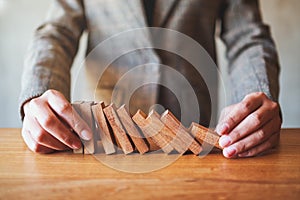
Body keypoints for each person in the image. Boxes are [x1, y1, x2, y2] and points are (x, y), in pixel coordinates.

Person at [19, 0, 282, 158]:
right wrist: (39, 95)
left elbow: (247, 36)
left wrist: (255, 97)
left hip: (193, 135)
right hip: (101, 138)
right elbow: (57, 32)